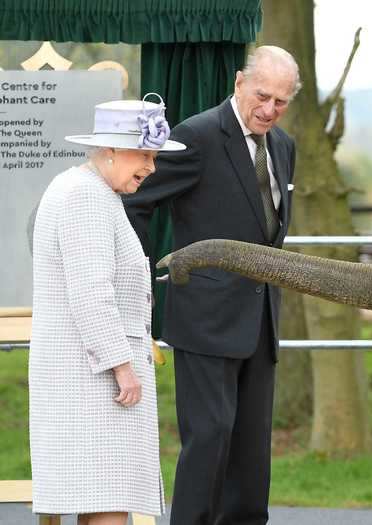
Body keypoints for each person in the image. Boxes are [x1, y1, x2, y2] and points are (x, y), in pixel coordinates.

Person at [123, 46, 300, 524]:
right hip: (204, 318)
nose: (269, 110)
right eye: (263, 96)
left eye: (281, 102)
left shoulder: (283, 146)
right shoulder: (196, 135)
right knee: (210, 436)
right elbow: (135, 205)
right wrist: (140, 274)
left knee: (250, 446)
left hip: (262, 320)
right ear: (240, 83)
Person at [29, 94, 185, 525]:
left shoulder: (87, 189)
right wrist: (122, 365)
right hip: (92, 378)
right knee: (109, 496)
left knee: (103, 494)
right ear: (111, 150)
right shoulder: (86, 196)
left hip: (84, 372)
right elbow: (92, 290)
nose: (152, 167)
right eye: (146, 155)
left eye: (155, 156)